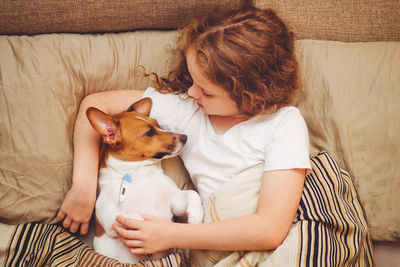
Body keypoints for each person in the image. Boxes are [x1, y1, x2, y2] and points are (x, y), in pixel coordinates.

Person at [57, 3, 311, 255]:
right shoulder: (187, 110)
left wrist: (171, 235)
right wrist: (84, 187)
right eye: (192, 80)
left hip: (259, 239)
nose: (191, 92)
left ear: (248, 94)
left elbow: (270, 229)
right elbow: (96, 104)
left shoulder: (284, 123)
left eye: (206, 91)